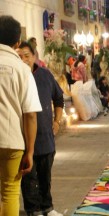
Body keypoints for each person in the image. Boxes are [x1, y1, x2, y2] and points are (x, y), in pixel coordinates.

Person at [0, 15, 42, 216]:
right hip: (12, 140)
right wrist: (30, 151)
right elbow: (30, 114)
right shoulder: (22, 69)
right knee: (9, 191)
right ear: (17, 42)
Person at [17, 41, 64, 216]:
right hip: (22, 138)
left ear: (35, 56)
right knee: (28, 180)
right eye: (19, 56)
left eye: (26, 56)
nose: (23, 60)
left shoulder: (45, 75)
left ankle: (47, 207)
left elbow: (59, 99)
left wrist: (57, 121)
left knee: (46, 177)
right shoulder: (15, 76)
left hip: (46, 138)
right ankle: (32, 210)